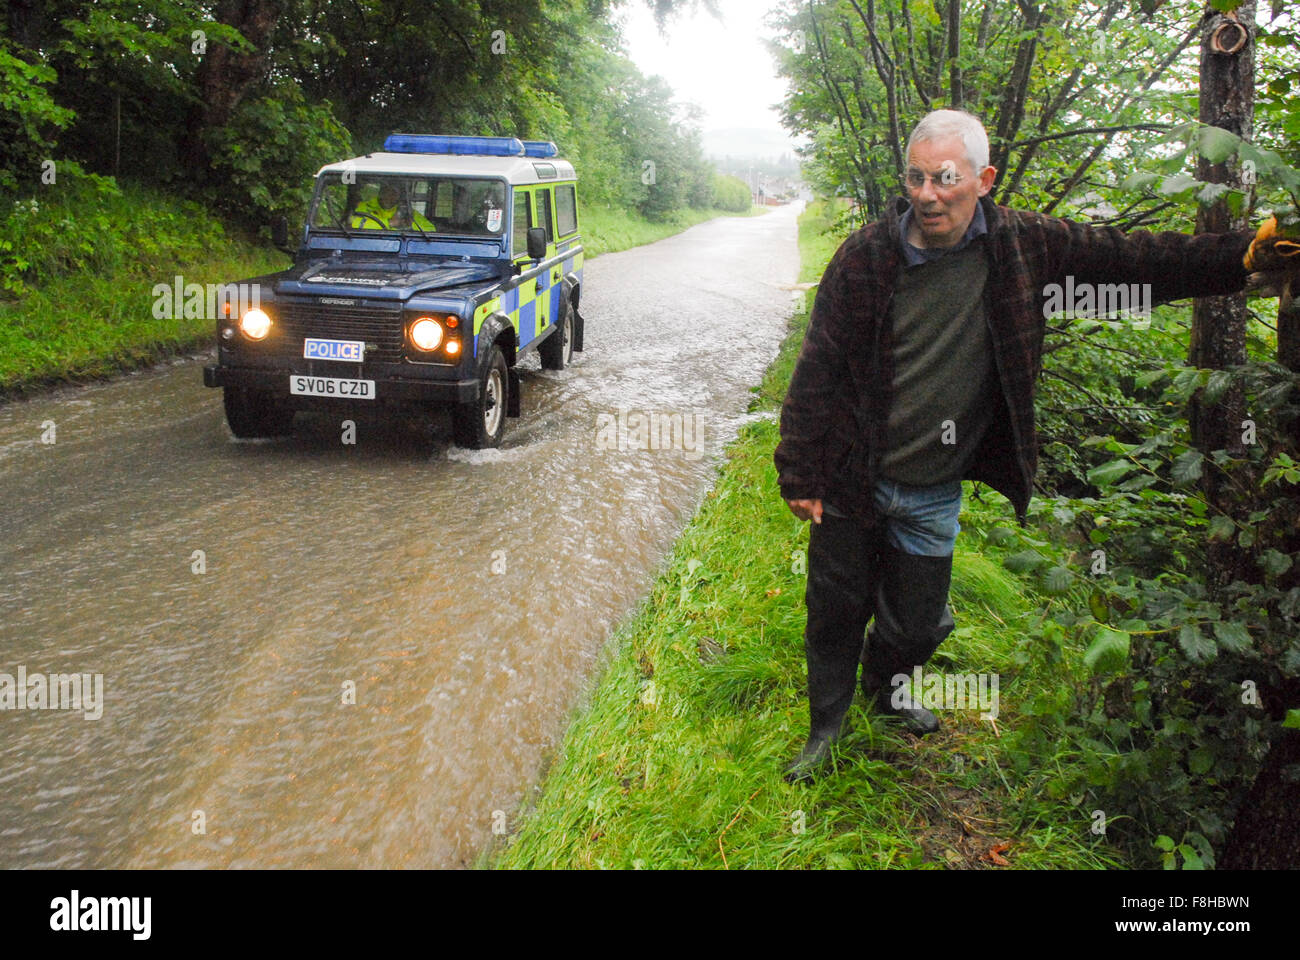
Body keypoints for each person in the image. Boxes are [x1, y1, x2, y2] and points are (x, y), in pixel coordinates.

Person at [774, 108, 1285, 784]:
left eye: (945, 178)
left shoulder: (1024, 246)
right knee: (836, 609)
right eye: (916, 178)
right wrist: (799, 471)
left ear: (984, 180)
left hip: (934, 486)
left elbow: (1132, 258)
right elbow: (819, 369)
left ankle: (888, 692)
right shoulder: (867, 257)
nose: (926, 195)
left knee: (917, 628)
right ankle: (826, 729)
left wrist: (1240, 254)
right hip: (851, 473)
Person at [350, 182, 435, 231]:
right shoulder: (366, 207)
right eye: (387, 191)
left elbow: (431, 230)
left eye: (394, 193)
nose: (389, 196)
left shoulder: (407, 212)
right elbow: (354, 225)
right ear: (381, 193)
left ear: (399, 196)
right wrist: (390, 223)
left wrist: (409, 225)